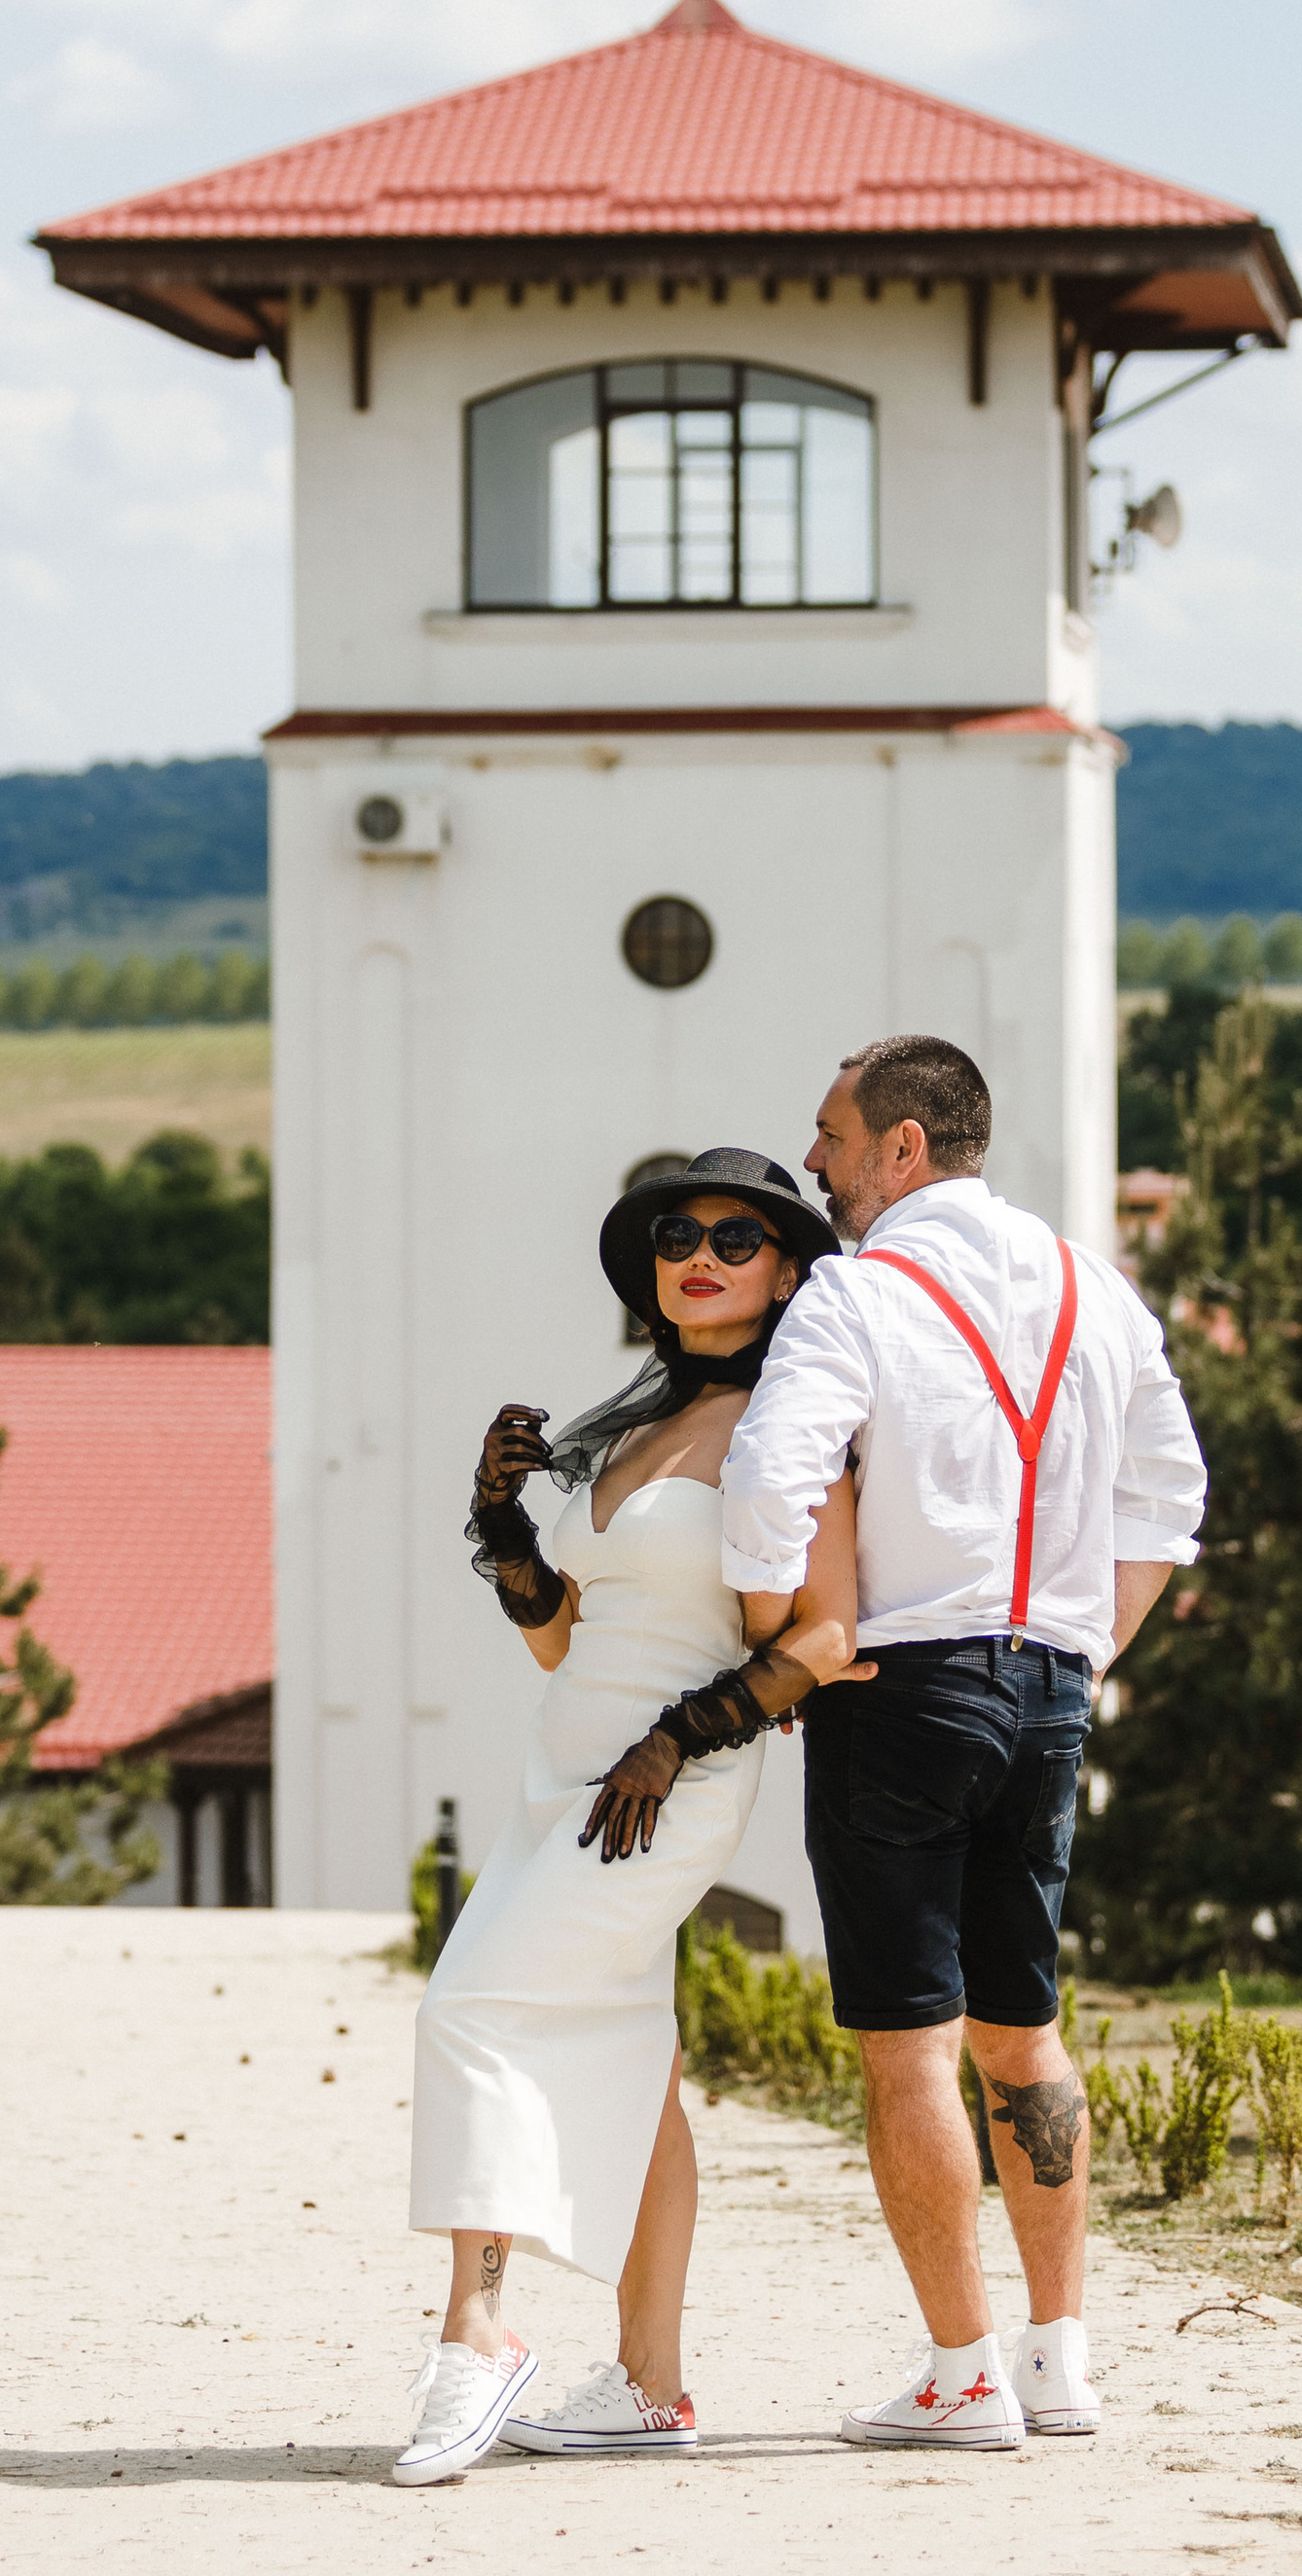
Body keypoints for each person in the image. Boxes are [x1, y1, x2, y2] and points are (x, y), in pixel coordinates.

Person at [722, 1034, 1208, 2452]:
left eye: (830, 1136)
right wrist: (1083, 1651)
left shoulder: (856, 1296)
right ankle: (1060, 2361)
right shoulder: (1095, 1290)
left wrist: (786, 1645)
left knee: (907, 2048)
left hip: (899, 1688)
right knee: (1024, 2028)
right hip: (1052, 1689)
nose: (814, 1162)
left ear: (902, 1151)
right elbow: (1168, 1501)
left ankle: (961, 2373)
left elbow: (770, 1479)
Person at [394, 1145, 862, 2489]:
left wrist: (679, 1738)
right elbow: (565, 1641)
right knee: (640, 2076)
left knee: (472, 2007)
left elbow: (826, 1630)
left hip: (666, 1785)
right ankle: (653, 2387)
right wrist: (503, 1528)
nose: (700, 1253)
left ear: (786, 1274)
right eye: (676, 1234)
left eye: (737, 1234)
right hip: (571, 1773)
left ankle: (477, 2332)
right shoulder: (635, 1425)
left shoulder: (789, 1420)